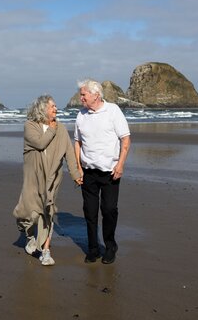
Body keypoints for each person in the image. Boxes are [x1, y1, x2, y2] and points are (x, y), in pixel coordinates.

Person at [12, 95, 83, 266]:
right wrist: (51, 129)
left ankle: (45, 251)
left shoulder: (61, 129)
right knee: (26, 213)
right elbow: (39, 143)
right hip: (33, 177)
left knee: (47, 212)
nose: (56, 109)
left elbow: (69, 154)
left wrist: (76, 175)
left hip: (52, 178)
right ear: (42, 108)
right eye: (52, 106)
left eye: (56, 106)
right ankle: (29, 236)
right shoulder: (30, 126)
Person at [73, 78, 130, 264]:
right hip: (88, 173)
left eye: (83, 94)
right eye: (81, 94)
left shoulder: (113, 110)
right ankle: (93, 249)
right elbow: (77, 142)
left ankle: (110, 246)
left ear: (96, 94)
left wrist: (120, 165)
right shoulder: (81, 115)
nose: (80, 97)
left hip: (110, 172)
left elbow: (125, 139)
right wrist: (78, 168)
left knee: (109, 210)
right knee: (89, 212)